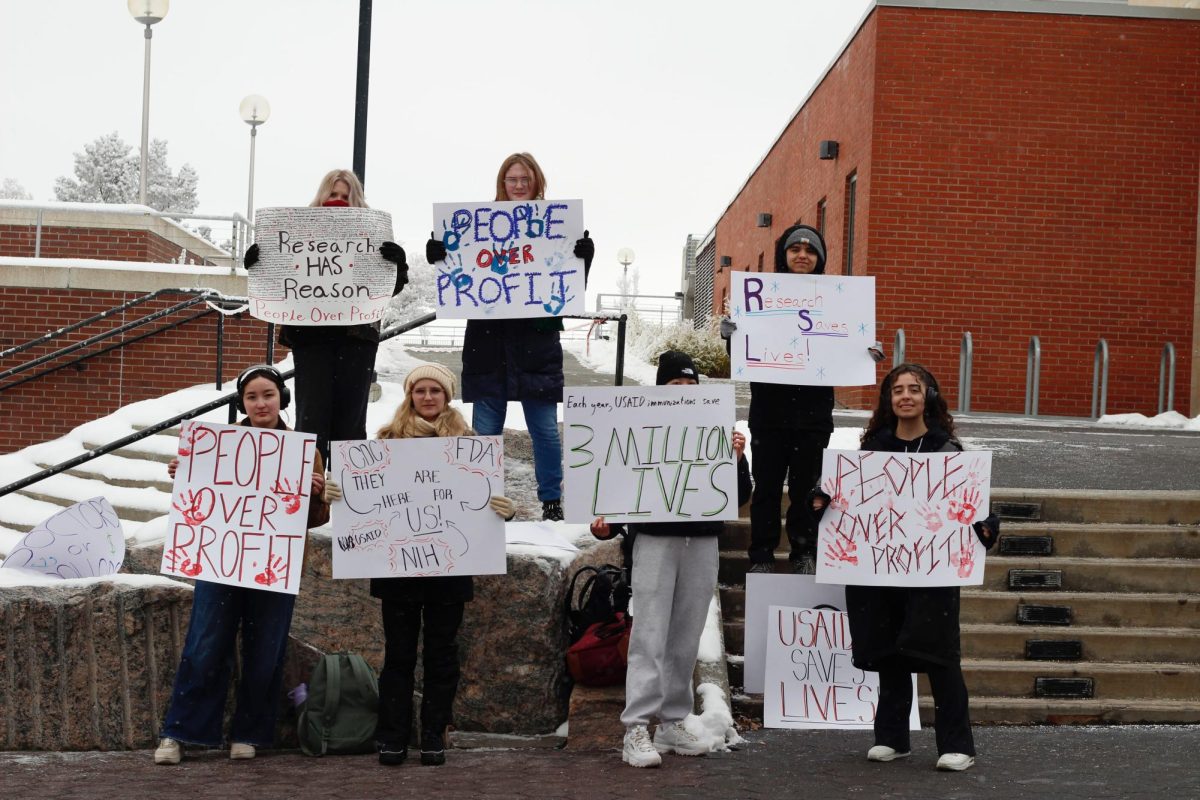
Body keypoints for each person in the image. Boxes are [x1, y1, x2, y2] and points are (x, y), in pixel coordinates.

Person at [323, 362, 515, 767]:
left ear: (447, 397)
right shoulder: (385, 441)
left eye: (435, 391)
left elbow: (479, 501)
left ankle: (433, 734)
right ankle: (392, 736)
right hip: (398, 568)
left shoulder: (470, 445)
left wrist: (503, 509)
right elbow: (366, 502)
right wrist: (340, 494)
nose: (427, 397)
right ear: (409, 395)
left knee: (442, 654)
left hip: (451, 567)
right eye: (419, 390)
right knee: (399, 655)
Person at [812, 363, 998, 772]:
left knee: (941, 657)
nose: (906, 396)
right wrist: (822, 500)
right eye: (898, 390)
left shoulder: (947, 452)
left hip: (932, 574)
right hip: (880, 572)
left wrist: (986, 526)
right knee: (889, 653)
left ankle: (957, 745)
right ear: (888, 399)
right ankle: (892, 738)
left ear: (928, 396)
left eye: (915, 388)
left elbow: (975, 509)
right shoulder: (870, 451)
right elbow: (845, 501)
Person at [154, 364, 330, 765]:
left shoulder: (306, 450)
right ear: (242, 403)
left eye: (268, 394)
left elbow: (314, 521)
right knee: (203, 646)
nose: (260, 403)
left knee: (265, 651)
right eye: (251, 397)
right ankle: (180, 733)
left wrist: (316, 496)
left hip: (274, 564)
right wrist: (186, 476)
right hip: (220, 561)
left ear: (281, 399)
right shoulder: (215, 447)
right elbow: (201, 506)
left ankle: (250, 732)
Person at [589, 351, 752, 769]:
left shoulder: (719, 431)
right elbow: (626, 478)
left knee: (686, 636)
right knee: (650, 634)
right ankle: (637, 726)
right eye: (675, 385)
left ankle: (673, 720)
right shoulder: (641, 426)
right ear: (660, 389)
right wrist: (610, 523)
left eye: (690, 385)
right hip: (656, 540)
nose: (683, 392)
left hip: (701, 541)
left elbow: (741, 495)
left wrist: (734, 457)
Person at [425, 153, 594, 522]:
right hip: (488, 343)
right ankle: (484, 498)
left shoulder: (557, 224)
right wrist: (438, 256)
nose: (518, 185)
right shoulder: (475, 226)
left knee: (546, 432)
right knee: (486, 433)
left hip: (537, 344)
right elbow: (457, 277)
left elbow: (566, 288)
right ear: (502, 183)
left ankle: (551, 500)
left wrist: (585, 259)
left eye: (525, 179)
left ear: (537, 182)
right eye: (511, 179)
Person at [720, 223, 883, 575]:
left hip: (813, 417)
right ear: (784, 255)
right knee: (765, 489)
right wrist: (731, 335)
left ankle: (803, 551)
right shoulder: (761, 298)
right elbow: (747, 352)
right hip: (769, 414)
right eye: (795, 249)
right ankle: (761, 555)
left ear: (820, 259)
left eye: (810, 251)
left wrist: (865, 352)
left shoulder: (838, 302)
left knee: (806, 489)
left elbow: (845, 346)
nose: (802, 255)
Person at [244, 168, 409, 464]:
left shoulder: (370, 236)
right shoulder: (296, 233)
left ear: (356, 201)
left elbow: (386, 290)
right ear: (322, 196)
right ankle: (312, 494)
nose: (339, 200)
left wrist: (397, 264)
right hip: (312, 339)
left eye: (346, 196)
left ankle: (350, 498)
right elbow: (278, 283)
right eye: (333, 194)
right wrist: (260, 261)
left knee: (351, 421)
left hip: (356, 340)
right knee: (312, 419)